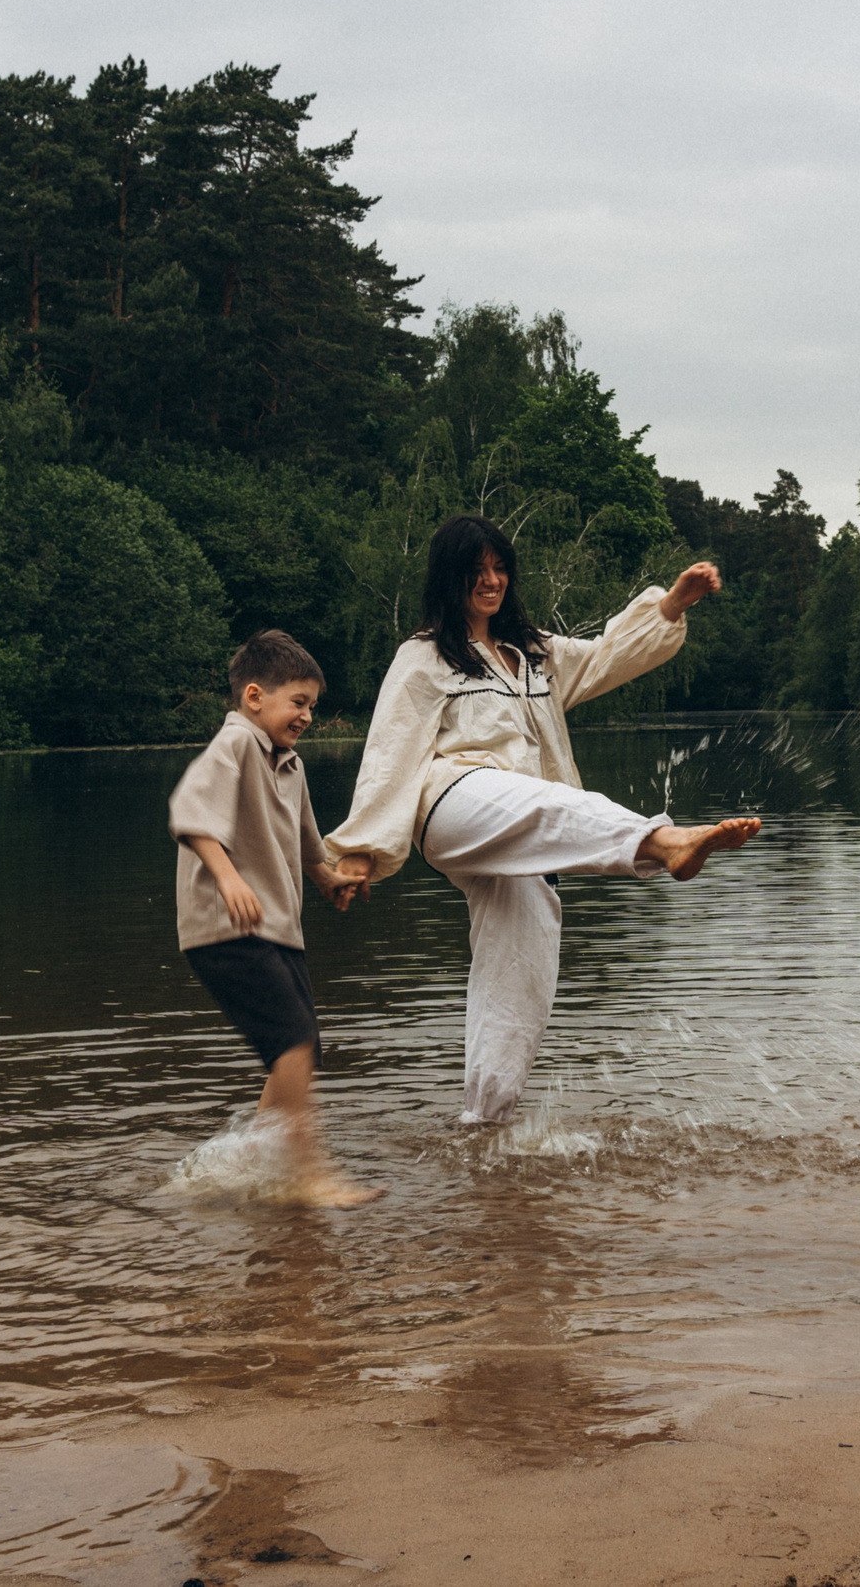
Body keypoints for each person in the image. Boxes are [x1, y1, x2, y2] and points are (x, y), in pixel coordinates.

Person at [326, 515, 762, 1126]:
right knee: (545, 800)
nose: (491, 581)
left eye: (500, 568)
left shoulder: (535, 654)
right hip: (454, 802)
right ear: (451, 579)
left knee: (522, 973)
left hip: (527, 828)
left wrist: (670, 604)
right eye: (477, 571)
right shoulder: (423, 657)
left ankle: (484, 1126)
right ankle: (663, 843)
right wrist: (361, 851)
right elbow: (389, 750)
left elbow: (607, 657)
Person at [168, 629, 381, 1206]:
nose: (308, 715)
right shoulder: (235, 743)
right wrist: (229, 877)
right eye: (299, 702)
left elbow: (309, 845)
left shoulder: (289, 765)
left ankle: (248, 1166)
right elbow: (190, 813)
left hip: (275, 929)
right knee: (292, 1046)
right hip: (227, 927)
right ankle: (304, 1175)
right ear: (255, 697)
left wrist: (329, 879)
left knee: (301, 1046)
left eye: (312, 704)